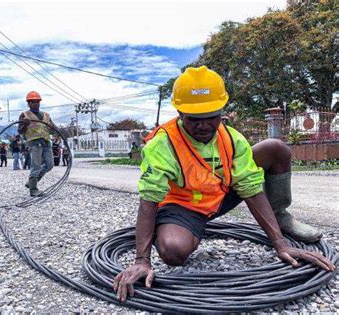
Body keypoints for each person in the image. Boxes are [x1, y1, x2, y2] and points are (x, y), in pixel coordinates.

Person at [113, 66, 334, 302]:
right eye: (194, 119)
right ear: (179, 113)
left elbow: (251, 188)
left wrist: (280, 244)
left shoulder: (231, 138)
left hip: (220, 195)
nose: (204, 125)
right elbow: (148, 201)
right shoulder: (162, 144)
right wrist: (142, 261)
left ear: (221, 111)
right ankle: (178, 228)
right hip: (184, 206)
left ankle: (280, 216)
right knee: (173, 251)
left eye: (211, 117)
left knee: (275, 148)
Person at [18, 91, 56, 196]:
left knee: (49, 165)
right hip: (34, 143)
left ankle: (30, 183)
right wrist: (24, 125)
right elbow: (20, 131)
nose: (35, 103)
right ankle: (33, 189)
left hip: (46, 142)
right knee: (36, 166)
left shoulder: (46, 115)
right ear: (28, 103)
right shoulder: (25, 115)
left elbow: (53, 128)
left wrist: (55, 130)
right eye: (32, 102)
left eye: (37, 101)